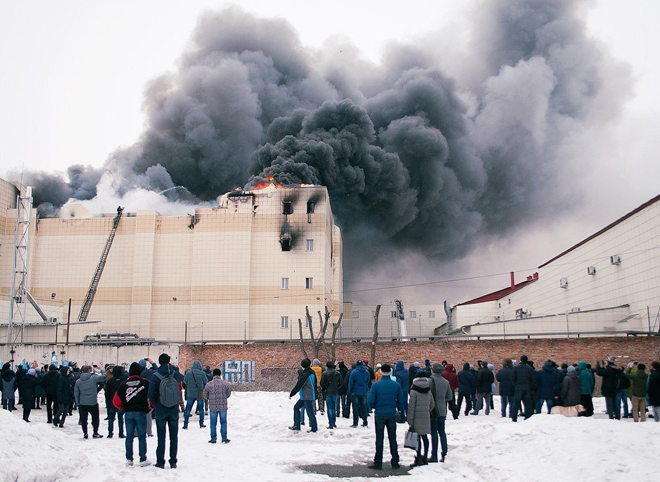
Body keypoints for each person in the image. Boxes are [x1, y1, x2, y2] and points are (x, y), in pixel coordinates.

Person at [148, 353, 185, 469]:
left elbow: (150, 392)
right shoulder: (174, 373)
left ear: (159, 362)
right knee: (174, 437)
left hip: (161, 408)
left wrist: (154, 404)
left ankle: (160, 461)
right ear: (169, 361)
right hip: (174, 408)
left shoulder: (156, 375)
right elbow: (182, 379)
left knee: (161, 437)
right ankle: (173, 461)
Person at [114, 362, 151, 467]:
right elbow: (152, 395)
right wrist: (150, 406)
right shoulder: (145, 383)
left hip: (128, 413)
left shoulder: (123, 384)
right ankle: (143, 458)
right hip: (141, 411)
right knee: (142, 436)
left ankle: (129, 458)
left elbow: (116, 401)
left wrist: (123, 407)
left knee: (129, 436)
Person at [366, 364, 402, 470]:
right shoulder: (396, 385)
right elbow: (401, 401)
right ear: (390, 372)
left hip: (380, 413)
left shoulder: (376, 385)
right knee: (392, 438)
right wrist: (399, 409)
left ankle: (378, 462)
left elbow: (370, 400)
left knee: (379, 438)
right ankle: (395, 461)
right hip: (391, 413)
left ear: (381, 372)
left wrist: (374, 406)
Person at [408, 374, 434, 467]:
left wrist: (410, 421)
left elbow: (411, 407)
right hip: (426, 417)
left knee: (417, 438)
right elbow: (432, 405)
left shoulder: (414, 391)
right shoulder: (428, 390)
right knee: (425, 437)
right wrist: (427, 411)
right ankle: (425, 456)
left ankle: (418, 457)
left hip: (416, 418)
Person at [429, 364, 453, 463]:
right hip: (442, 409)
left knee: (434, 432)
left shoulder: (430, 380)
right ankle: (444, 453)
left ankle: (434, 454)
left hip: (433, 410)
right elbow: (450, 396)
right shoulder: (445, 382)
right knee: (442, 432)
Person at [203, 368, 232, 443]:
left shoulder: (209, 384)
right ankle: (224, 438)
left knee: (213, 423)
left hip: (213, 406)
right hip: (223, 406)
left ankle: (213, 438)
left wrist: (210, 398)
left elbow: (205, 394)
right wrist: (224, 397)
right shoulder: (225, 384)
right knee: (223, 422)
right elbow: (228, 393)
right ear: (220, 374)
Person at [74, 365, 104, 438]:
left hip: (82, 403)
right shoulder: (93, 378)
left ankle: (85, 433)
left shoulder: (78, 381)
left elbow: (76, 393)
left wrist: (77, 402)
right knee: (95, 418)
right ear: (90, 371)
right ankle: (95, 432)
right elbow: (103, 377)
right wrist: (102, 369)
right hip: (93, 402)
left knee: (84, 419)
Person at [288, 359, 318, 432]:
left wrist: (292, 394)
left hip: (307, 396)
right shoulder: (312, 372)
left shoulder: (306, 375)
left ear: (302, 366)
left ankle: (314, 428)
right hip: (307, 395)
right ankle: (297, 425)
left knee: (309, 412)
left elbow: (299, 385)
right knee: (296, 407)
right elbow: (315, 384)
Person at [182, 360, 208, 429]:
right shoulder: (202, 373)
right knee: (201, 409)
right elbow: (206, 381)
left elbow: (184, 381)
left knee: (188, 409)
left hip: (190, 393)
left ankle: (185, 424)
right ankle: (201, 423)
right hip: (199, 393)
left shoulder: (188, 373)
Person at [511, 355, 535, 422]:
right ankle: (527, 416)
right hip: (527, 388)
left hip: (518, 388)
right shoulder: (530, 369)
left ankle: (514, 417)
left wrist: (515, 385)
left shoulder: (516, 368)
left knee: (516, 403)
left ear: (520, 360)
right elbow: (533, 380)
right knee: (527, 403)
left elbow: (512, 378)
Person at [320, 361, 343, 429]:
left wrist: (324, 389)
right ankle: (334, 422)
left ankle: (331, 423)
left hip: (328, 392)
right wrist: (336, 387)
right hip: (335, 392)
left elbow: (322, 383)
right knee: (334, 408)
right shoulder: (337, 373)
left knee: (329, 408)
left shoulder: (324, 373)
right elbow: (341, 383)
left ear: (327, 366)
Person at [348, 359, 370, 427]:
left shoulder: (354, 372)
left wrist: (350, 390)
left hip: (355, 392)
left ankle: (355, 422)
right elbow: (368, 381)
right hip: (363, 392)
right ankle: (365, 421)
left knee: (355, 407)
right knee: (364, 407)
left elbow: (351, 382)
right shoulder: (366, 372)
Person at [139, 358, 158, 437]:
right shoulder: (150, 372)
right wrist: (152, 362)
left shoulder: (137, 373)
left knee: (139, 414)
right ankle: (149, 432)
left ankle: (138, 431)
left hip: (139, 395)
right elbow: (157, 370)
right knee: (148, 415)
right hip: (148, 394)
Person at [105, 365, 125, 437]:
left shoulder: (110, 381)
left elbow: (107, 392)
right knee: (120, 418)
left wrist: (107, 400)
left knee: (110, 419)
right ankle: (121, 433)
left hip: (111, 402)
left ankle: (110, 433)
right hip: (120, 402)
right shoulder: (124, 380)